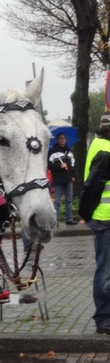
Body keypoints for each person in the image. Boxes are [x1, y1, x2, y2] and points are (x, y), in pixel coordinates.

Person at [81, 111, 110, 334]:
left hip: (103, 217)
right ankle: (103, 318)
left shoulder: (99, 144)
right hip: (105, 218)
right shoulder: (105, 150)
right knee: (105, 271)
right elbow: (93, 185)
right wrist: (86, 212)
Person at [48, 132, 77, 225]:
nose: (62, 139)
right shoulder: (52, 152)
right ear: (57, 139)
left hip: (68, 179)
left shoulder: (70, 152)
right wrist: (59, 165)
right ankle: (55, 220)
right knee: (57, 200)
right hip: (58, 180)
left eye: (64, 138)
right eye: (60, 138)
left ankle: (69, 219)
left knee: (69, 199)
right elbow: (49, 166)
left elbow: (73, 166)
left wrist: (73, 176)